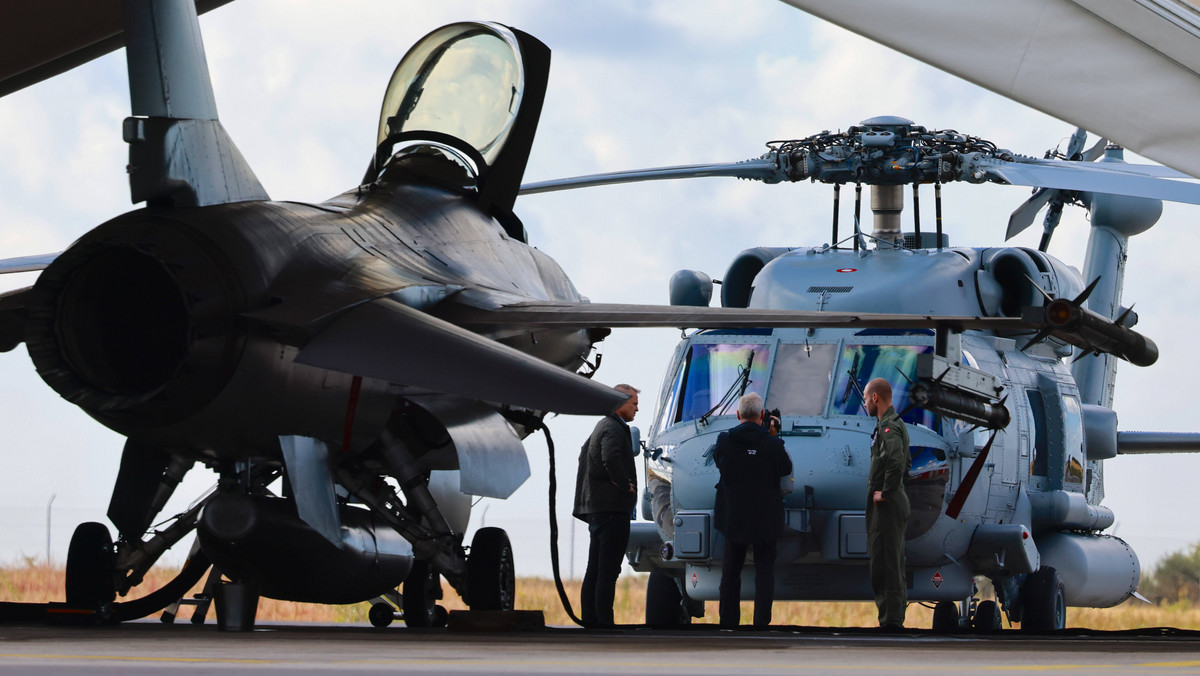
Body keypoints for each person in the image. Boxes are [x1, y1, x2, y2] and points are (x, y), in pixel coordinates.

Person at [713, 392, 793, 628]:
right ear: (761, 415)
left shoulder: (724, 441)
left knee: (730, 571)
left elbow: (720, 461)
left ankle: (728, 621)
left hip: (733, 516)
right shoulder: (772, 443)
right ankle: (761, 622)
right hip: (765, 518)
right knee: (764, 572)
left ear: (738, 415)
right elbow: (785, 468)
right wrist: (773, 435)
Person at [573, 383, 640, 627]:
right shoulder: (613, 428)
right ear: (620, 403)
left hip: (599, 509)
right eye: (633, 403)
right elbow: (609, 456)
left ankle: (591, 619)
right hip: (612, 509)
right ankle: (603, 621)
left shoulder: (602, 426)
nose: (637, 408)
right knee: (608, 570)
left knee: (596, 568)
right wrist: (624, 485)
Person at [863, 377, 911, 630]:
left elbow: (895, 461)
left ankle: (891, 621)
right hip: (895, 500)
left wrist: (885, 491)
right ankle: (893, 618)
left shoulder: (888, 427)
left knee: (885, 563)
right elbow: (908, 464)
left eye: (865, 399)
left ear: (875, 398)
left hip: (887, 504)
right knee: (892, 560)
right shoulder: (896, 424)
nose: (864, 405)